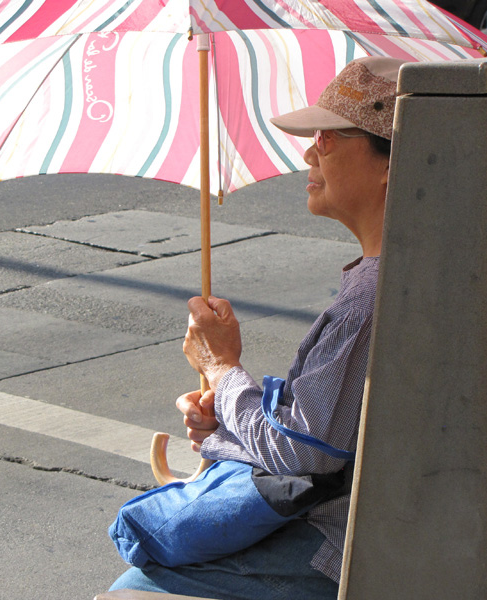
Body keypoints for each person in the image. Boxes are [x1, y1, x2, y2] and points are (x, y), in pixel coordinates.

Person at [109, 56, 408, 599]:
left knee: (135, 583)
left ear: (390, 162)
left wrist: (222, 371)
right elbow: (330, 426)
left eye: (329, 138)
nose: (309, 152)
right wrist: (226, 415)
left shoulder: (370, 298)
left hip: (332, 548)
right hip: (351, 528)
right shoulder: (402, 270)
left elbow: (306, 455)